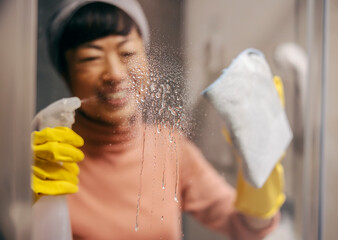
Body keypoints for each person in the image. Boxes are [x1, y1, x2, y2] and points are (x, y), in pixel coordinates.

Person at [32, 0, 286, 239]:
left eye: (127, 53)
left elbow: (243, 226)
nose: (115, 74)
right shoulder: (48, 157)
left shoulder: (170, 148)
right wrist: (26, 198)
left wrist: (261, 177)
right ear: (65, 74)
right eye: (91, 58)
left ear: (147, 58)